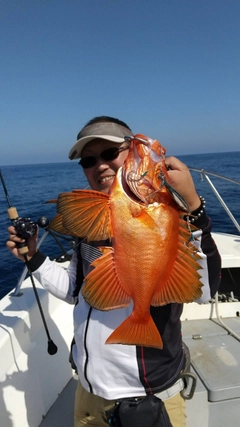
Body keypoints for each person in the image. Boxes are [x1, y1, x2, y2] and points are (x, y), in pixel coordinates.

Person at [7, 116, 221, 427]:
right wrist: (35, 257)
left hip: (148, 398)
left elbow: (206, 291)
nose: (100, 165)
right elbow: (75, 291)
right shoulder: (91, 225)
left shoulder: (168, 211)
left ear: (132, 152)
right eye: (89, 160)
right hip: (89, 391)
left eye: (110, 154)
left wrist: (193, 205)